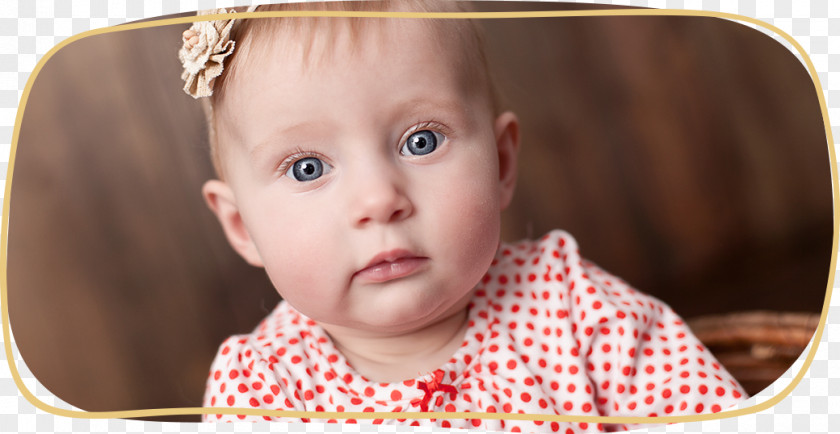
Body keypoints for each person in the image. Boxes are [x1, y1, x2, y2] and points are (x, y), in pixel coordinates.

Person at [178, 1, 746, 431]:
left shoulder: (574, 306)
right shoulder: (260, 390)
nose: (379, 199)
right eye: (307, 168)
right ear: (241, 227)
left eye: (421, 141)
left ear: (500, 163)